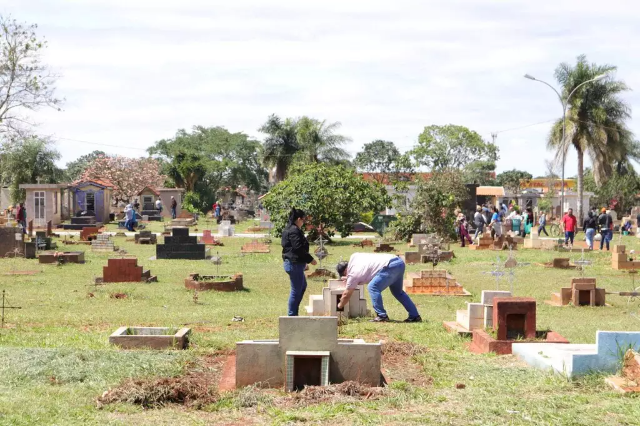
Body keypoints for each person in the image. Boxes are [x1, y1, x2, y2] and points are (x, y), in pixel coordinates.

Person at [336, 253, 421, 323]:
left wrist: (339, 306)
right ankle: (415, 316)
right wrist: (350, 279)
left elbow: (347, 294)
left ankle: (382, 316)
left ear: (345, 271)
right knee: (398, 292)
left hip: (389, 266)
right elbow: (365, 270)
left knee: (373, 287)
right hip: (398, 262)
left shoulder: (353, 274)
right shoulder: (354, 257)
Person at [281, 208, 316, 316]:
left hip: (296, 263)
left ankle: (294, 312)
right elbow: (298, 248)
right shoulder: (293, 230)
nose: (304, 222)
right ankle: (292, 315)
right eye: (303, 219)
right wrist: (310, 259)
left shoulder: (291, 229)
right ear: (299, 219)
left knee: (302, 286)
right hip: (293, 264)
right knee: (296, 290)